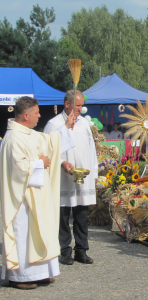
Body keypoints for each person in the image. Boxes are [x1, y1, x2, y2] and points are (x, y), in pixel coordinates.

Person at [0, 96, 75, 289]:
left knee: (41, 230)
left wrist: (66, 126)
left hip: (36, 194)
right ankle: (20, 276)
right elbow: (17, 168)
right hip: (21, 199)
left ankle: (41, 272)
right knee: (24, 234)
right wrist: (40, 163)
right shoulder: (13, 137)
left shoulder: (28, 133)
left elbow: (50, 141)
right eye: (36, 113)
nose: (39, 116)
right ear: (26, 115)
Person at [44, 90, 98, 265]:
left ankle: (81, 250)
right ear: (67, 104)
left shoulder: (83, 124)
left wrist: (94, 173)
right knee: (63, 214)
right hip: (63, 177)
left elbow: (91, 149)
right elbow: (47, 149)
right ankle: (64, 250)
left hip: (83, 175)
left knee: (81, 213)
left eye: (82, 105)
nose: (81, 109)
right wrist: (61, 162)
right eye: (78, 105)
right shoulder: (53, 124)